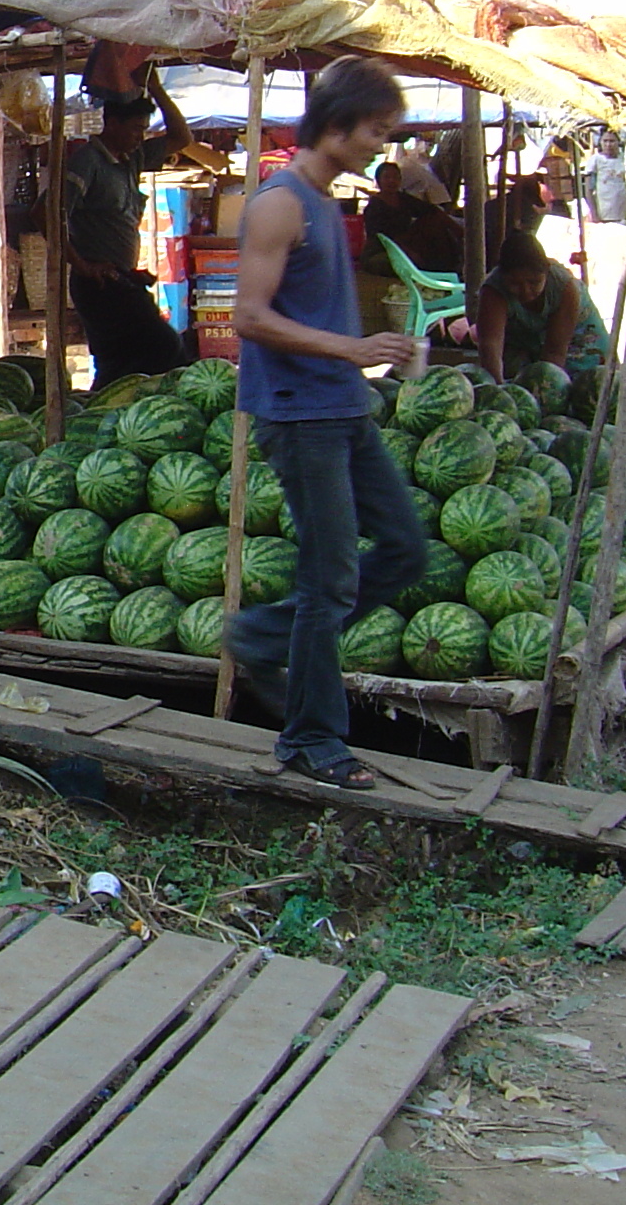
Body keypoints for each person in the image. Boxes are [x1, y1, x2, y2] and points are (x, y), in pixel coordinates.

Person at [226, 57, 427, 792]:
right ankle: (312, 739)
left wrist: (375, 350)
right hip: (300, 416)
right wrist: (352, 348)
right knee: (330, 580)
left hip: (343, 407)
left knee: (405, 548)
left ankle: (262, 635)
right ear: (337, 127)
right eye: (377, 131)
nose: (383, 146)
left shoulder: (325, 202)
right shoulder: (279, 203)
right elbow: (249, 317)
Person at [56, 72, 194, 386]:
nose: (139, 136)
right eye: (134, 129)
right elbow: (46, 213)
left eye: (144, 130)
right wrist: (82, 265)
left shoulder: (131, 159)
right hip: (98, 283)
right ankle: (96, 415)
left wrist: (157, 88)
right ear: (112, 124)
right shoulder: (88, 162)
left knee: (139, 358)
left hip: (121, 276)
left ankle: (111, 411)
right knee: (158, 349)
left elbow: (182, 138)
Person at [476, 229, 611, 381]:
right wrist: (497, 389)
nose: (526, 291)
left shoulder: (565, 287)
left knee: (584, 386)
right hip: (525, 341)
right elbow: (490, 347)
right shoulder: (493, 290)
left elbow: (555, 352)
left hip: (576, 341)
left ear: (546, 271)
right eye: (515, 284)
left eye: (534, 282)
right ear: (502, 276)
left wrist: (546, 388)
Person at [589, 131, 626, 225]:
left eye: (612, 141)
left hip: (624, 211)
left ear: (618, 142)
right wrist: (594, 214)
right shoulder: (596, 160)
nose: (608, 144)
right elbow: (589, 189)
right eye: (605, 141)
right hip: (604, 212)